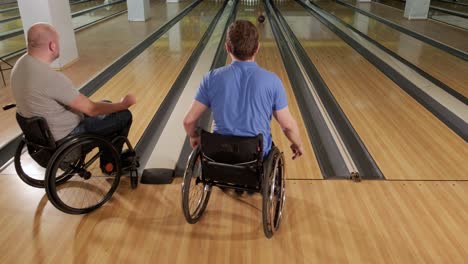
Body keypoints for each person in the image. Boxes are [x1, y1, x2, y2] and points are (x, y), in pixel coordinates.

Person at [10, 23, 136, 168]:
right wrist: (122, 104)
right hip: (67, 143)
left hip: (45, 140)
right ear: (53, 46)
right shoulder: (49, 78)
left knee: (107, 104)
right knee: (123, 115)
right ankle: (111, 165)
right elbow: (91, 109)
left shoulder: (20, 65)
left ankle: (109, 159)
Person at [183, 20, 304, 160]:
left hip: (220, 153)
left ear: (227, 48)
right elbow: (287, 125)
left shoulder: (210, 78)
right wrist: (298, 143)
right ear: (257, 48)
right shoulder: (273, 81)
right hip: (256, 155)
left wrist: (194, 136)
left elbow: (188, 121)